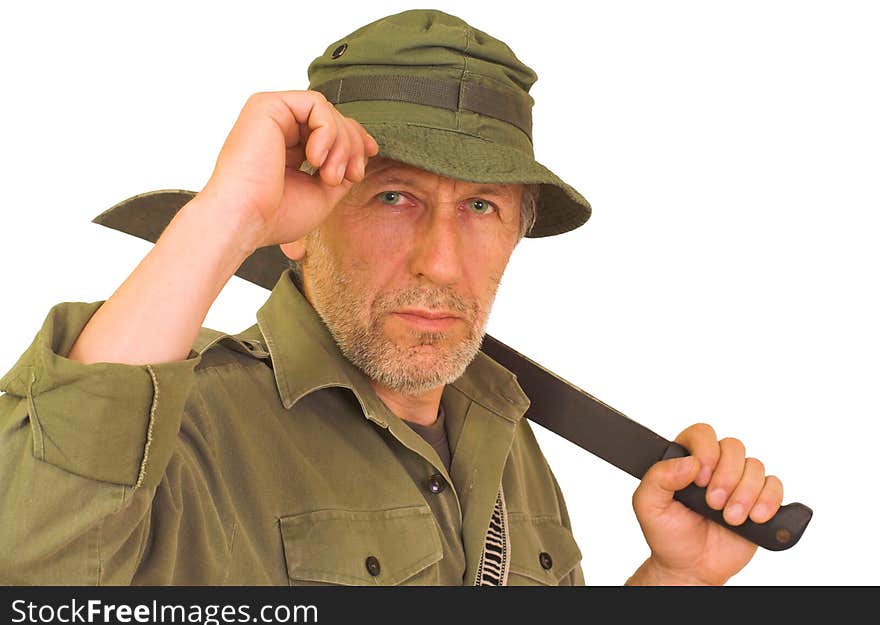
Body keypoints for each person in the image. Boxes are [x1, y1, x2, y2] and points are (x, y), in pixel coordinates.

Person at [0, 8, 783, 586]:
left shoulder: (504, 427)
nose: (442, 263)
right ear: (296, 222)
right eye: (392, 198)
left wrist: (677, 579)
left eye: (482, 207)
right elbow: (30, 576)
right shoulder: (184, 429)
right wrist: (226, 217)